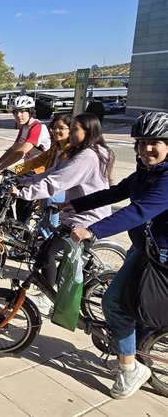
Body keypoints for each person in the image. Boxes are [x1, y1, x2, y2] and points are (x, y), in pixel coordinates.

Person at [69, 112, 168, 400]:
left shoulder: (166, 180)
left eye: (155, 142)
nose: (146, 148)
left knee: (114, 305)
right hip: (144, 249)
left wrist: (93, 230)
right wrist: (73, 205)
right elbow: (114, 194)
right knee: (137, 306)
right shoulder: (146, 174)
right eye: (141, 142)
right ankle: (134, 352)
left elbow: (138, 211)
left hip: (159, 253)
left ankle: (129, 369)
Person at [11, 113, 114, 314]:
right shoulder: (85, 152)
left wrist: (24, 193)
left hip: (86, 220)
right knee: (46, 250)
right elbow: (52, 172)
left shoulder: (87, 156)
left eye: (74, 129)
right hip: (79, 212)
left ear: (88, 131)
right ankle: (50, 292)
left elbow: (56, 182)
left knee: (45, 253)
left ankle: (47, 299)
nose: (70, 134)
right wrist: (24, 180)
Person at [0, 95, 51, 224]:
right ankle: (11, 226)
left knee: (22, 206)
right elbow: (12, 149)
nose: (18, 115)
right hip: (28, 168)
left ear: (30, 112)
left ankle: (21, 231)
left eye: (23, 111)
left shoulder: (37, 128)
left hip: (39, 171)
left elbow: (20, 153)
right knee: (2, 193)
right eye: (16, 112)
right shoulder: (24, 128)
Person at [14, 113, 73, 233]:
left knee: (46, 228)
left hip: (61, 192)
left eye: (61, 128)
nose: (56, 131)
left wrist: (25, 190)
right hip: (50, 186)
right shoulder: (55, 148)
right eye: (54, 128)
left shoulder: (71, 151)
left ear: (71, 130)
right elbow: (37, 161)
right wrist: (15, 170)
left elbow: (57, 177)